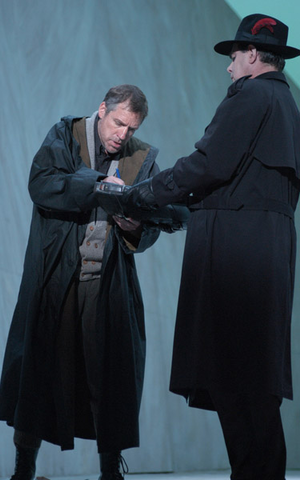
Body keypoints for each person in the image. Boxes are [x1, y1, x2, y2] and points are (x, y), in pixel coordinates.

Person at [118, 14, 300, 480]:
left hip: (238, 248)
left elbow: (207, 163)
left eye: (235, 56)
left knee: (235, 378)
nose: (229, 67)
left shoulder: (253, 94)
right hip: (269, 245)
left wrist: (143, 194)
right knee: (252, 379)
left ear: (254, 55)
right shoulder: (285, 101)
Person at [0, 84, 161, 480]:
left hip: (108, 283)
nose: (123, 134)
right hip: (56, 276)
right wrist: (101, 187)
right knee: (40, 369)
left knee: (112, 373)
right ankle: (24, 468)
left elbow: (152, 223)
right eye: (119, 122)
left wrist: (135, 222)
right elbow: (42, 184)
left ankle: (110, 470)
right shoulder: (66, 136)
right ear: (102, 109)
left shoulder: (141, 158)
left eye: (131, 128)